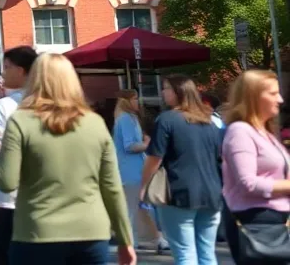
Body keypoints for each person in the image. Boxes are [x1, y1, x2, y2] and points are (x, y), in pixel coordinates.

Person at [0, 53, 135, 265]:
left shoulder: (21, 121)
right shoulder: (94, 123)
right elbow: (111, 187)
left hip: (37, 232)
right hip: (90, 233)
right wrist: (126, 240)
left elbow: (7, 181)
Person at [141, 76, 223, 265]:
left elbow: (155, 158)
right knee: (207, 254)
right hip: (211, 193)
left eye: (166, 88)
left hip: (179, 192)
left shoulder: (167, 119)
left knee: (185, 253)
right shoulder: (209, 122)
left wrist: (143, 185)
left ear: (178, 91)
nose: (163, 92)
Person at [221, 70, 290, 265]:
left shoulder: (264, 133)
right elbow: (248, 183)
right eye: (273, 93)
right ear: (253, 96)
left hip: (275, 221)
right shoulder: (240, 132)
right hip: (255, 223)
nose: (280, 99)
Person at [0, 44, 38, 265]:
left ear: (22, 71)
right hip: (42, 195)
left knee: (3, 254)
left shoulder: (4, 107)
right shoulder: (50, 105)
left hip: (11, 197)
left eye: (7, 67)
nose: (3, 73)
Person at [112, 91, 163, 251]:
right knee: (136, 206)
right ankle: (142, 240)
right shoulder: (126, 119)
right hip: (131, 170)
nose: (137, 102)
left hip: (131, 169)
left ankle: (147, 239)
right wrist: (149, 144)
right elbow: (129, 145)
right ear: (126, 101)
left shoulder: (127, 118)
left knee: (138, 206)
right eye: (134, 99)